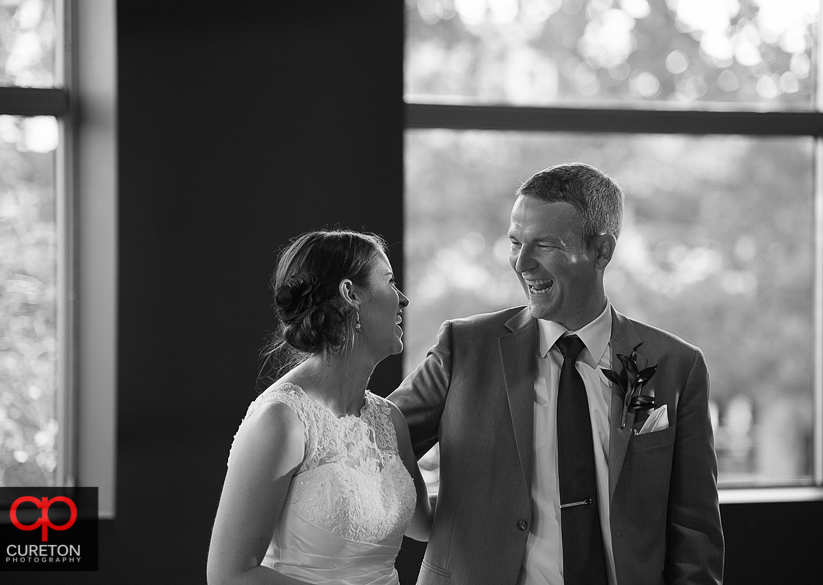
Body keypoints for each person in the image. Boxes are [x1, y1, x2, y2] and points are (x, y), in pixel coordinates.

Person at [389, 163, 724, 585]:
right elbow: (377, 436)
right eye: (515, 243)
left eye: (544, 245)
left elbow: (695, 533)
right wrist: (422, 516)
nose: (522, 263)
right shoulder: (464, 348)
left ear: (602, 251)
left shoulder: (677, 365)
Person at [207, 229, 432, 585]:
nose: (402, 299)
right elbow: (229, 574)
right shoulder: (282, 420)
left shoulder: (390, 420)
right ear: (350, 294)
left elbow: (425, 525)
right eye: (389, 281)